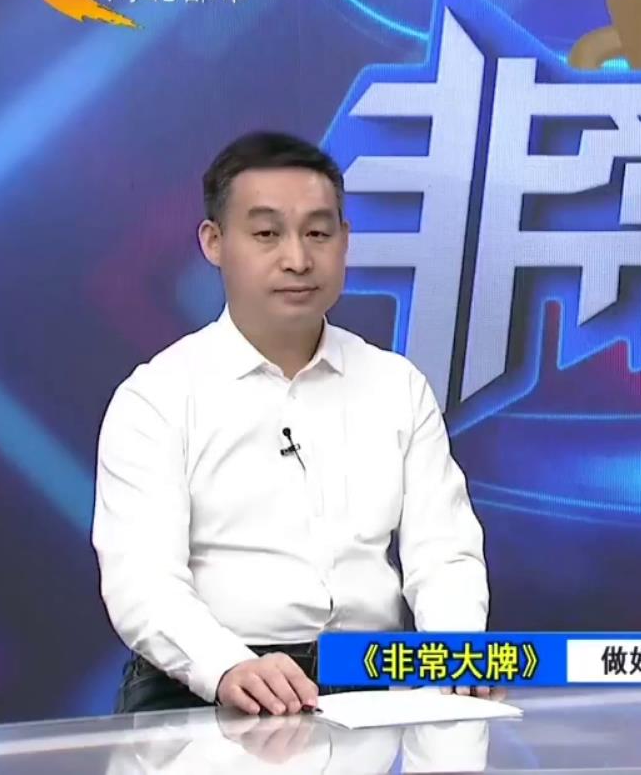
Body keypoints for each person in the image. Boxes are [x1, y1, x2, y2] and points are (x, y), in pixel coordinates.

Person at [93, 132, 491, 715]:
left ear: (344, 240)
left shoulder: (396, 385)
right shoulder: (157, 397)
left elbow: (444, 551)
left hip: (368, 679)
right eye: (266, 234)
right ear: (213, 242)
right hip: (203, 684)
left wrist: (456, 652)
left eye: (318, 234)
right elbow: (143, 581)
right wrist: (226, 665)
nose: (298, 259)